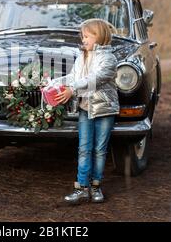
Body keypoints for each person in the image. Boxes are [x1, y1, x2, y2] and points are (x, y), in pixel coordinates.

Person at [52, 19, 120, 204]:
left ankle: (96, 187)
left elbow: (94, 79)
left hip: (104, 110)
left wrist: (72, 89)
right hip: (84, 108)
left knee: (99, 150)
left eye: (87, 36)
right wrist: (54, 83)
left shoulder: (109, 59)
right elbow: (73, 77)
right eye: (82, 36)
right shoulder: (82, 56)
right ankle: (82, 188)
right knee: (83, 149)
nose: (84, 39)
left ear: (99, 36)